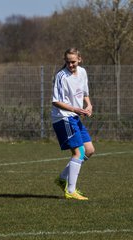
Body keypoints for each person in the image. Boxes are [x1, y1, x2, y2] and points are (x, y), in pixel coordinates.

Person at [51, 47, 95, 201]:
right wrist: (76, 109)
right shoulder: (61, 76)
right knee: (79, 152)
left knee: (89, 150)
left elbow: (85, 93)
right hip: (63, 117)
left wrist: (88, 105)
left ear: (79, 59)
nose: (71, 65)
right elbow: (56, 101)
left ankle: (63, 178)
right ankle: (70, 190)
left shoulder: (82, 72)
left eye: (73, 62)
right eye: (68, 62)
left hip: (74, 116)